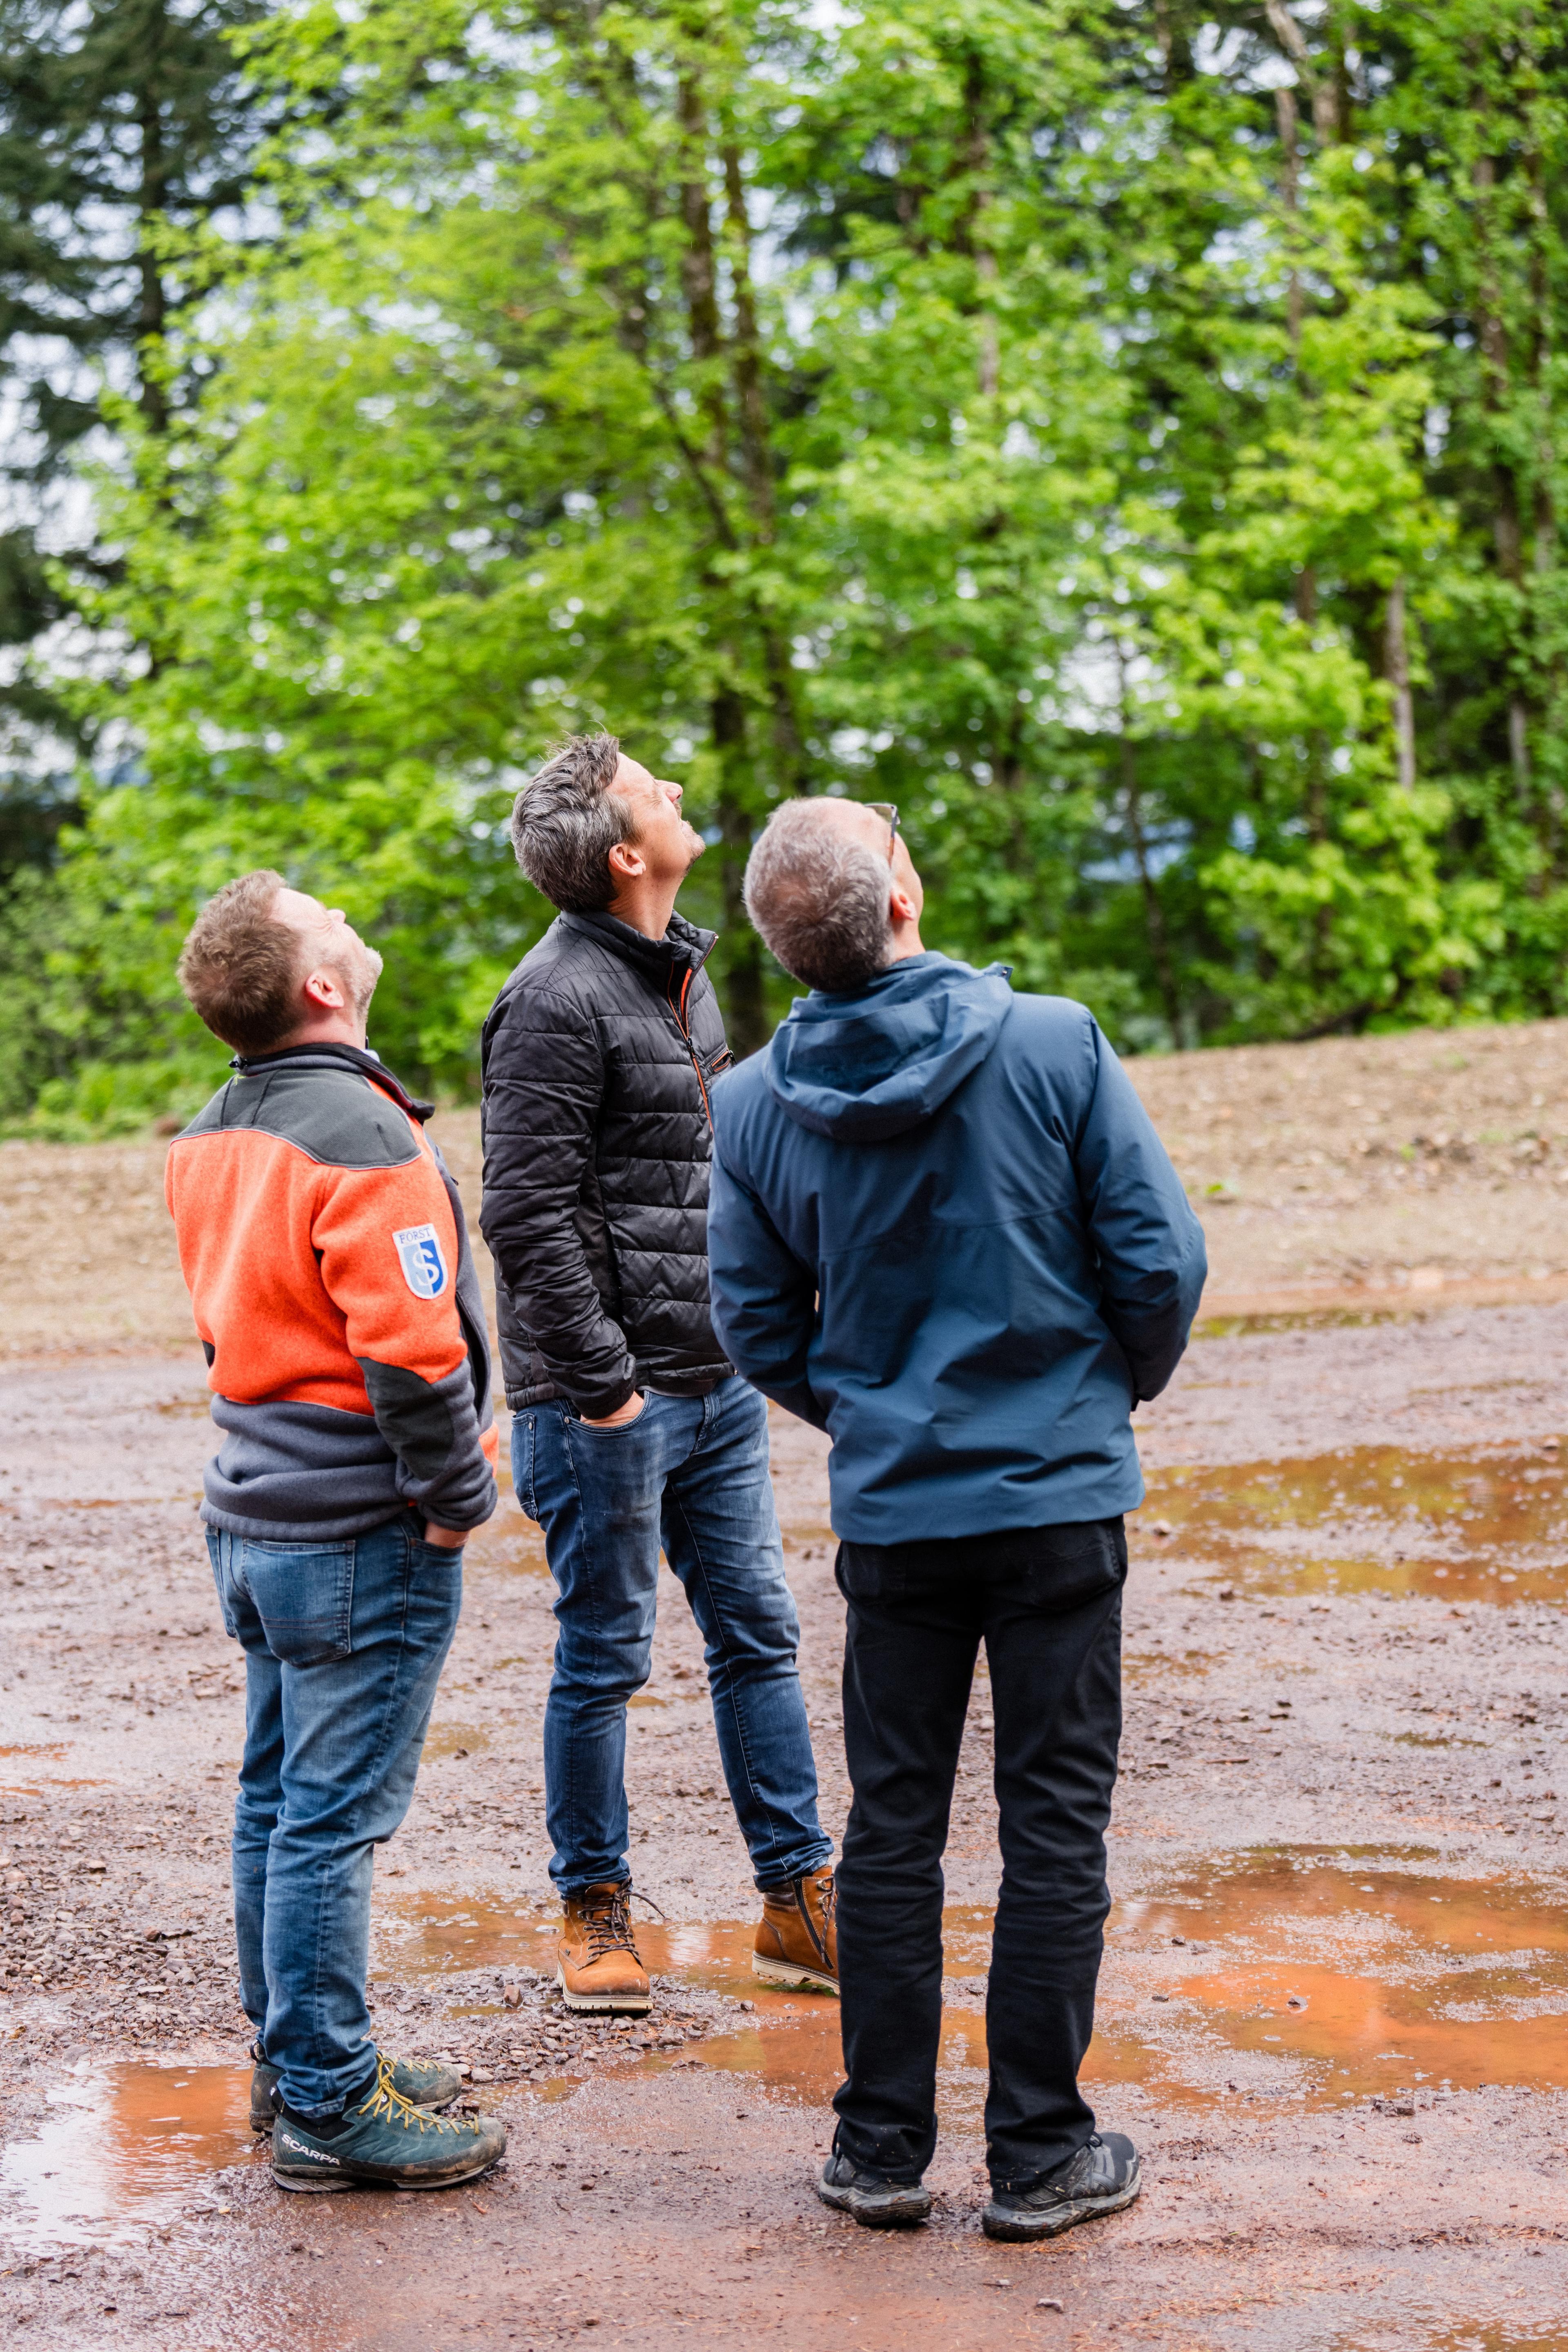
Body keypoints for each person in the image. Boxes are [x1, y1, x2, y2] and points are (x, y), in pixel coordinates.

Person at [705, 798, 1207, 2241]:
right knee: (1054, 1824)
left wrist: (875, 1413)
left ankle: (879, 2148)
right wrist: (1098, 1395)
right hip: (1058, 1497)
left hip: (900, 1517)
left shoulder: (750, 1105)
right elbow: (1160, 1262)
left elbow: (754, 1321)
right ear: (904, 897)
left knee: (892, 1827)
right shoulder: (1056, 1042)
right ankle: (1041, 2156)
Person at [480, 733, 835, 2014]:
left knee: (760, 1637)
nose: (676, 789)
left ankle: (798, 1903)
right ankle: (595, 1910)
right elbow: (525, 1216)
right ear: (625, 855)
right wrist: (606, 1391)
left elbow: (701, 1179)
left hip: (716, 1380)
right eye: (650, 788)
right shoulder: (551, 999)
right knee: (604, 1656)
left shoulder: (681, 970)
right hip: (607, 1405)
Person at [166, 870, 507, 2194]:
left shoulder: (209, 1130)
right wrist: (457, 1502)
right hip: (360, 1530)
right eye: (332, 921)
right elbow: (414, 1358)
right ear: (321, 985)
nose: (353, 926)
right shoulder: (366, 1135)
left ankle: (295, 2057)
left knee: (277, 1801)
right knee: (329, 1821)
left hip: (254, 1514)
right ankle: (327, 2103)